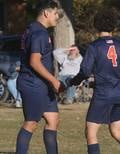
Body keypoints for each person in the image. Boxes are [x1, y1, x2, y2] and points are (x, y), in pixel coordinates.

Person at [68, 8, 120, 154]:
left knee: (91, 133)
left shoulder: (94, 47)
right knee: (117, 132)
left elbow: (85, 71)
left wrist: (73, 81)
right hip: (118, 94)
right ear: (113, 26)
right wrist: (119, 80)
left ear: (96, 25)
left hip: (102, 94)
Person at [15, 1, 62, 154]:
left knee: (53, 119)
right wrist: (54, 80)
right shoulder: (40, 33)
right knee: (31, 123)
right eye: (56, 13)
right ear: (46, 13)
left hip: (42, 84)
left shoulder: (33, 28)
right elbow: (34, 62)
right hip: (33, 84)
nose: (58, 17)